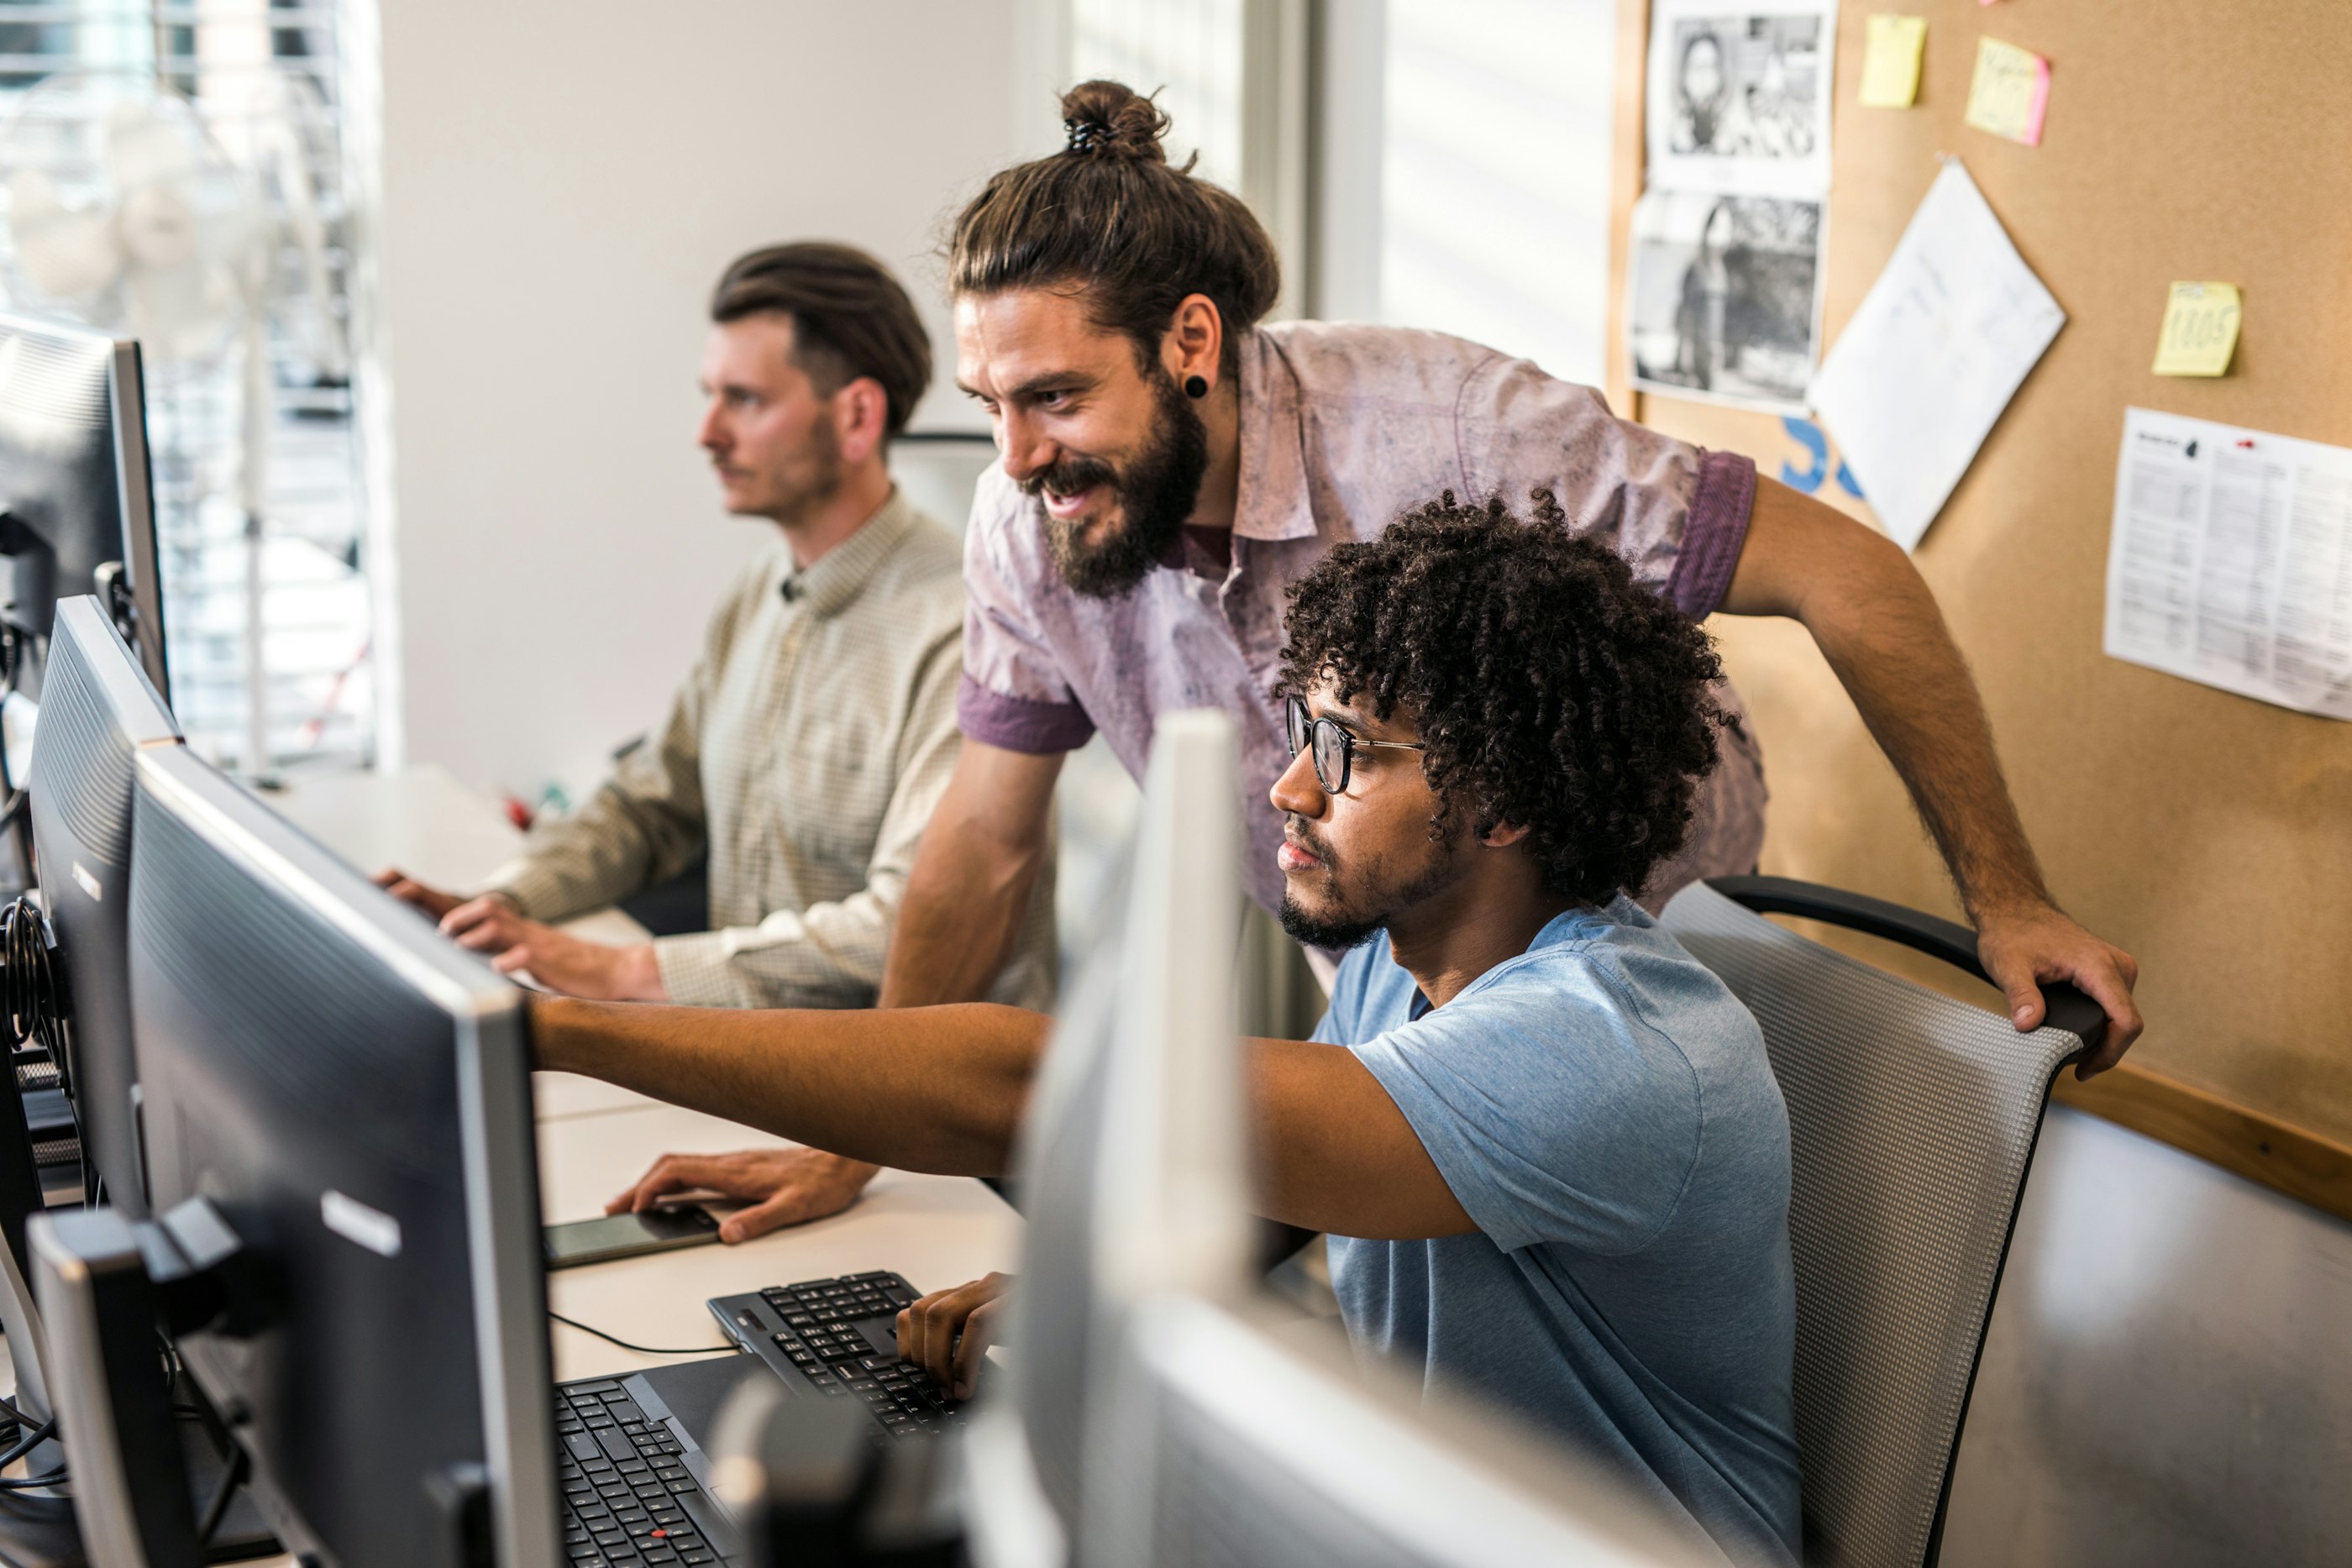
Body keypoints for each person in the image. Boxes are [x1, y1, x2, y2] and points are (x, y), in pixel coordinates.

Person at [626, 78, 2140, 1237]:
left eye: (1056, 398)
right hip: (1381, 985)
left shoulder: (1460, 434)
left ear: (1193, 342)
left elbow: (1850, 574)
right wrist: (855, 1141)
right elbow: (979, 842)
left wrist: (2003, 893)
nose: (1013, 457)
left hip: (1631, 969)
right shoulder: (1032, 527)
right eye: (988, 400)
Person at [564, 501, 1802, 1564]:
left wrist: (566, 1029)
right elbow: (1299, 1168)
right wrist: (1083, 1289)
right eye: (1303, 729)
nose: (1291, 786)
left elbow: (1016, 1085)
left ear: (1510, 803)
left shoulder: (1599, 1046)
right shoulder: (1409, 956)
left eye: (1348, 752)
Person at [379, 244, 1057, 1232]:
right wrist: (500, 910)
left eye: (743, 399)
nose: (706, 432)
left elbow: (894, 923)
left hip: (922, 1150)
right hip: (763, 1086)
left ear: (857, 416)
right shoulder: (760, 593)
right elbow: (655, 798)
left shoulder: (961, 619)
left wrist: (610, 971)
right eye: (710, 396)